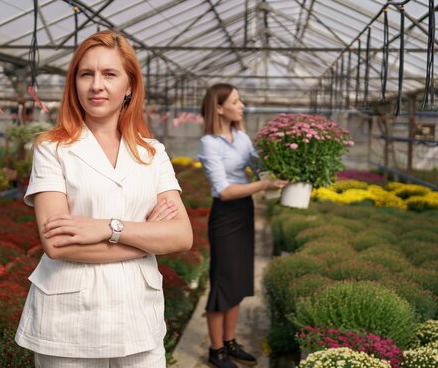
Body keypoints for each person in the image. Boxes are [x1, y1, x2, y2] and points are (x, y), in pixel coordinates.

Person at [15, 29, 193, 368]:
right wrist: (148, 240)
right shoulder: (52, 148)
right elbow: (58, 244)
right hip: (68, 326)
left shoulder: (152, 153)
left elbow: (182, 236)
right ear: (75, 83)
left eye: (109, 74)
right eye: (86, 74)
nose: (97, 85)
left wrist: (107, 228)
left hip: (138, 319)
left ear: (129, 87)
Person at [198, 83, 287, 368]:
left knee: (238, 280)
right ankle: (216, 350)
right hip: (225, 214)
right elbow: (222, 190)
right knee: (223, 283)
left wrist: (286, 164)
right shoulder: (209, 143)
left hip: (243, 211)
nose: (242, 105)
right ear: (219, 108)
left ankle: (230, 341)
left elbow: (259, 165)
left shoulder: (242, 137)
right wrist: (263, 184)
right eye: (236, 101)